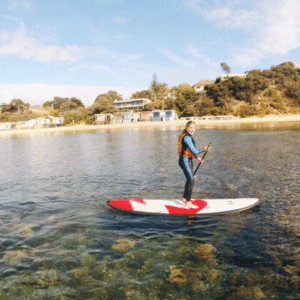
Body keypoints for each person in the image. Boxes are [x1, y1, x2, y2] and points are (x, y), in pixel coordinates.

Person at [178, 121, 211, 209]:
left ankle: (186, 197)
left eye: (194, 128)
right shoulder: (186, 137)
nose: (192, 129)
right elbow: (195, 151)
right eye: (190, 127)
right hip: (184, 160)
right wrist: (204, 149)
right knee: (191, 180)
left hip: (187, 160)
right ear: (186, 127)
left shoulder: (187, 136)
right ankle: (188, 202)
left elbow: (188, 150)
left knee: (190, 179)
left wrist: (197, 158)